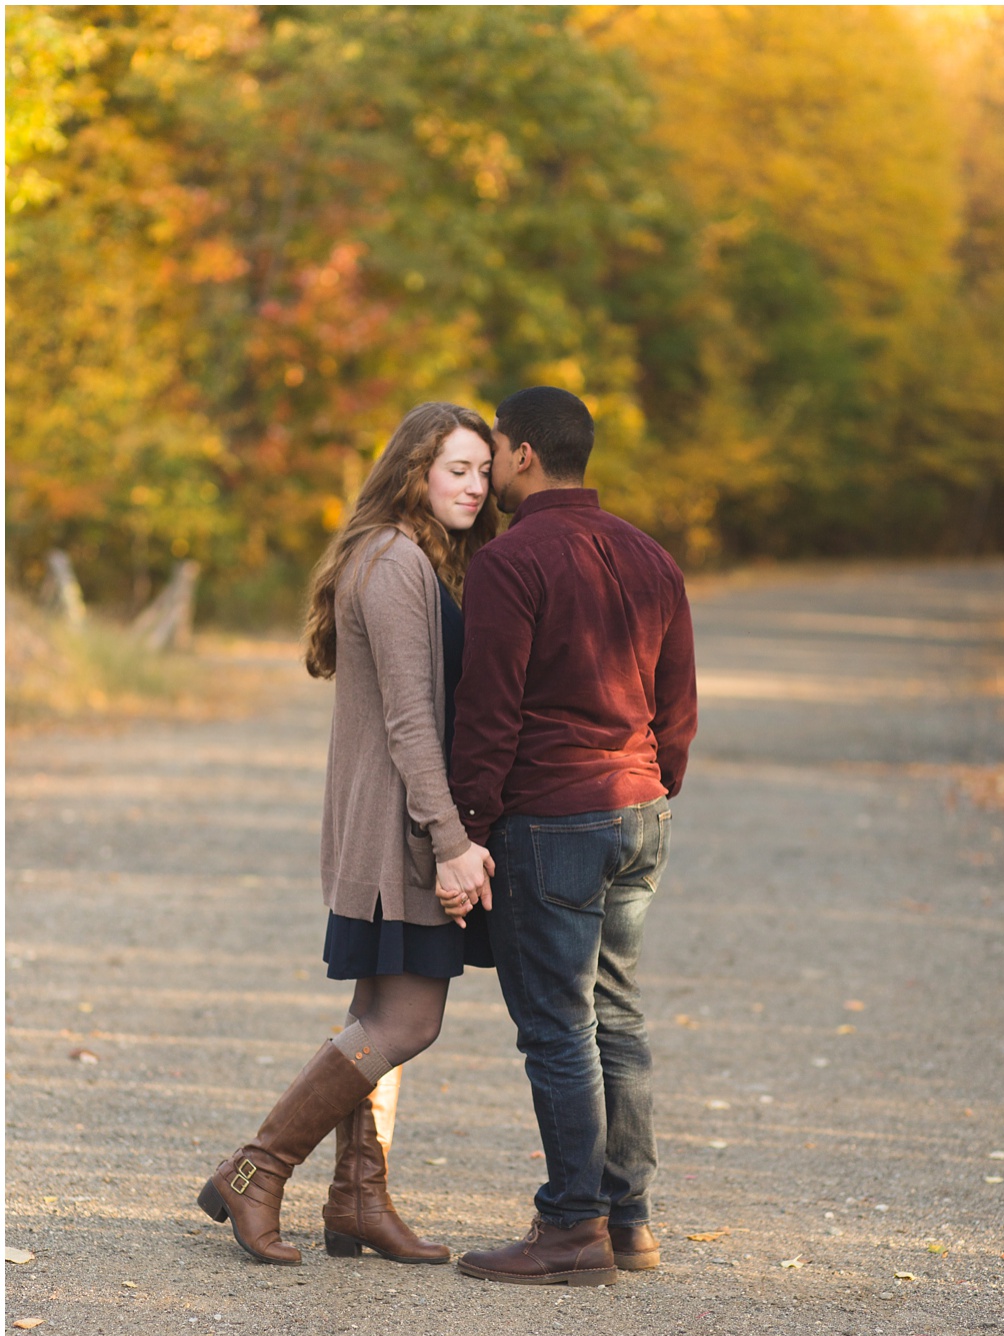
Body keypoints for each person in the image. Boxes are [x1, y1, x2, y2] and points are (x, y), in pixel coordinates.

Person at [197, 402, 501, 1266]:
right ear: (415, 470)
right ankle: (256, 1169)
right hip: (398, 831)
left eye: (483, 471)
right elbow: (412, 723)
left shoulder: (396, 554)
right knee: (407, 1022)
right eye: (457, 469)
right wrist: (448, 839)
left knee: (370, 1018)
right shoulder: (397, 563)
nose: (475, 486)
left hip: (387, 820)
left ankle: (357, 1198)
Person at [448, 385, 697, 1288]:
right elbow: (679, 707)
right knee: (618, 1015)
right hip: (637, 811)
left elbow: (489, 711)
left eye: (498, 450)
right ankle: (628, 1220)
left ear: (521, 453)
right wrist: (653, 786)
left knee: (558, 1028)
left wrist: (469, 830)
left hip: (552, 817)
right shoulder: (651, 557)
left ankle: (571, 1229)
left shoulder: (513, 563)